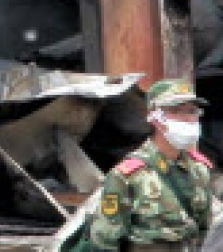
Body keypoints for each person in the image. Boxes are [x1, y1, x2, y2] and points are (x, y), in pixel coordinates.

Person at [81, 78, 213, 252]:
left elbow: (206, 232)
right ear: (156, 117)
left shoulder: (199, 170)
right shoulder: (127, 175)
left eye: (192, 111)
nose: (188, 119)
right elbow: (104, 241)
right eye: (177, 111)